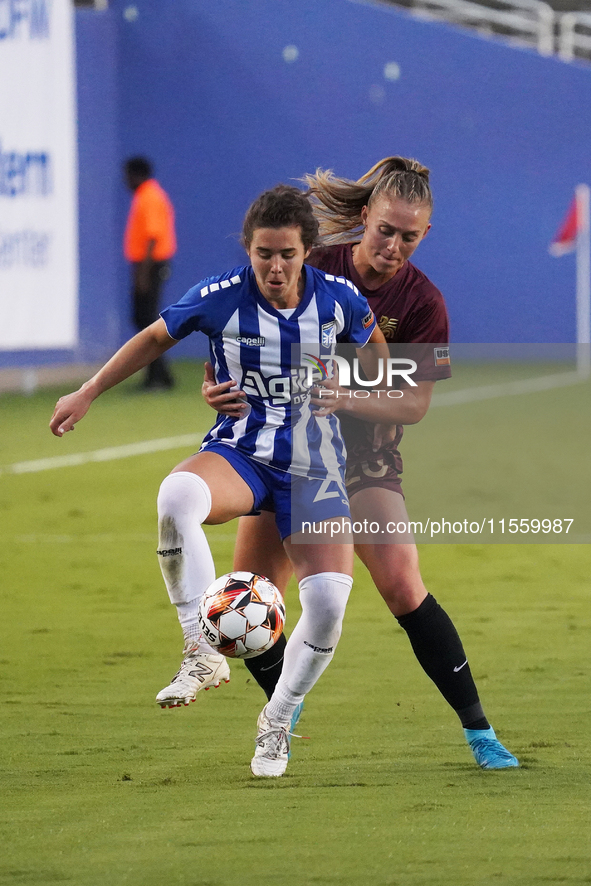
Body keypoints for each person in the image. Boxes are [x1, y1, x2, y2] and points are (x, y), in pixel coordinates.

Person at [50, 184, 388, 778]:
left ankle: (277, 720)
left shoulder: (339, 301)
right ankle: (201, 651)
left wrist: (357, 391)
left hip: (316, 468)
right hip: (242, 452)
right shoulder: (222, 296)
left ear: (306, 250)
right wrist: (88, 391)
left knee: (329, 602)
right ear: (248, 250)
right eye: (264, 253)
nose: (275, 266)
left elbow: (381, 357)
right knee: (176, 494)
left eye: (287, 253)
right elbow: (155, 337)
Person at [202, 157, 519, 771]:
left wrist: (345, 395)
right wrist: (216, 387)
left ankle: (480, 734)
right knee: (253, 602)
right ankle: (281, 717)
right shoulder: (309, 264)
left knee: (401, 581)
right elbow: (235, 345)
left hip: (365, 464)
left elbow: (415, 404)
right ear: (364, 218)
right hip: (282, 456)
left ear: (424, 235)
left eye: (409, 236)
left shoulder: (424, 303)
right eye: (385, 230)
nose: (394, 245)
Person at [123, 156, 176, 390]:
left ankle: (157, 377)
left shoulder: (149, 197)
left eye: (127, 175)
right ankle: (159, 375)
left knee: (147, 320)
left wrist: (143, 273)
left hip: (150, 265)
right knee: (144, 319)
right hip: (148, 265)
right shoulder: (147, 195)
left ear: (136, 174)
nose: (125, 181)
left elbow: (153, 237)